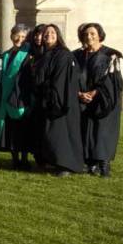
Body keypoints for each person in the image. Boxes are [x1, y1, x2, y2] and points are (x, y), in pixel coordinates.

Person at [75, 23, 123, 178]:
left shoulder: (110, 55)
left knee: (102, 132)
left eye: (92, 33)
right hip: (83, 100)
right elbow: (72, 78)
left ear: (100, 35)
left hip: (105, 101)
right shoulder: (77, 56)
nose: (89, 36)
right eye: (86, 34)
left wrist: (94, 93)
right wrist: (79, 93)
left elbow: (112, 80)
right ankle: (89, 163)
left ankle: (103, 163)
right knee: (86, 131)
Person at [36, 24, 84, 177]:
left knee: (62, 133)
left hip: (61, 100)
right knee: (52, 134)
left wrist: (53, 95)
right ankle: (54, 161)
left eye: (52, 32)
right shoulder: (44, 54)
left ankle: (66, 165)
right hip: (48, 99)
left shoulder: (63, 54)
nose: (48, 35)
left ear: (58, 35)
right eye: (46, 33)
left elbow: (61, 79)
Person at [0, 25, 34, 170]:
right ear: (11, 35)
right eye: (17, 35)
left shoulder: (29, 54)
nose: (19, 39)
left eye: (23, 36)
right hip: (6, 97)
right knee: (11, 129)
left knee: (23, 128)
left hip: (21, 95)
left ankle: (24, 159)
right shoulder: (5, 54)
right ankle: (14, 158)